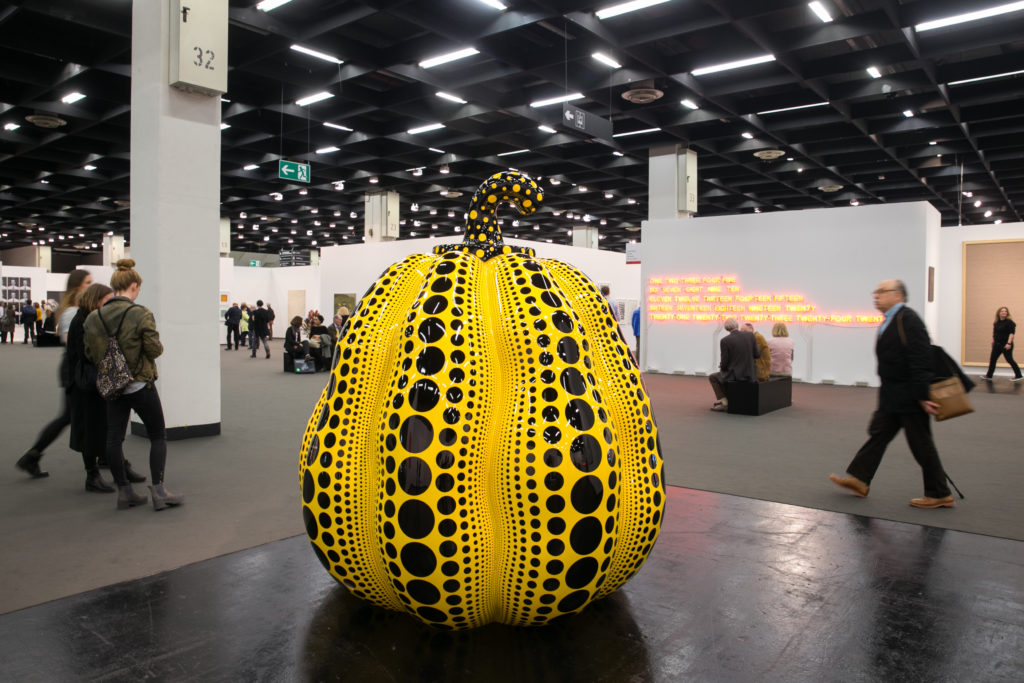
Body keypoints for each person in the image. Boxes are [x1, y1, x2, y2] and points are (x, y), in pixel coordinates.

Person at [829, 280, 954, 509]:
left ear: (897, 295)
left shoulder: (909, 320)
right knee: (878, 435)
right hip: (893, 395)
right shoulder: (891, 320)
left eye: (881, 292)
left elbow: (921, 359)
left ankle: (939, 493)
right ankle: (860, 480)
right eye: (875, 292)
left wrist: (923, 395)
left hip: (909, 396)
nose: (876, 296)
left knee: (920, 443)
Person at [84, 259, 183, 511]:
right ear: (134, 286)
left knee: (114, 438)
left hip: (113, 386)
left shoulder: (94, 318)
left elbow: (90, 352)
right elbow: (154, 348)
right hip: (139, 383)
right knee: (158, 434)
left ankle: (124, 491)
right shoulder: (140, 314)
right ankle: (159, 490)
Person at [15, 270, 95, 479]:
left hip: (77, 368)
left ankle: (32, 456)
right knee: (70, 416)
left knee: (70, 416)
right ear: (78, 286)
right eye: (88, 282)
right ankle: (32, 456)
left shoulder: (77, 309)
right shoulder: (72, 312)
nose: (91, 285)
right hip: (74, 370)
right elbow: (68, 342)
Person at [67, 283, 117, 494]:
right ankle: (92, 475)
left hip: (89, 382)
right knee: (90, 430)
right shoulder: (84, 321)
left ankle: (109, 468)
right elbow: (87, 354)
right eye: (107, 300)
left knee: (98, 428)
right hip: (86, 384)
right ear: (97, 300)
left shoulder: (87, 318)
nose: (109, 304)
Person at [708, 317, 759, 412]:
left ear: (726, 329)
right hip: (751, 373)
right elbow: (757, 354)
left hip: (735, 375)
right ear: (737, 325)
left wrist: (722, 368)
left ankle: (725, 402)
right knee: (722, 376)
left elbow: (724, 361)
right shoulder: (750, 336)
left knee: (713, 377)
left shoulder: (725, 340)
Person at [982, 306, 1022, 381]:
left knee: (1009, 359)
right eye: (1002, 311)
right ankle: (989, 375)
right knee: (993, 359)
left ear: (1007, 313)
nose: (1004, 312)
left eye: (1005, 311)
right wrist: (993, 340)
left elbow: (1011, 333)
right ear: (999, 313)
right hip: (997, 344)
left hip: (1006, 344)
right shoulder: (996, 323)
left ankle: (1019, 375)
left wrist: (1009, 343)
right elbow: (995, 333)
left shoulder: (1010, 322)